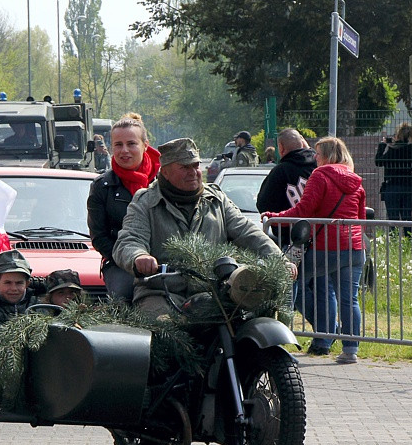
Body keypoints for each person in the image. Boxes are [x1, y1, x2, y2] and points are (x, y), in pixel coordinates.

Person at [113, 137, 286, 318]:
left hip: (214, 291)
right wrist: (139, 256)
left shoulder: (216, 199)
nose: (193, 172)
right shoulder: (145, 202)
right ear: (165, 172)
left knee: (244, 324)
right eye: (184, 167)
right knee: (163, 327)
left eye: (195, 166)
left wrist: (279, 260)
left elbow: (247, 231)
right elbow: (129, 240)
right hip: (161, 292)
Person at [263, 137, 366, 364]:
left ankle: (283, 341)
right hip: (354, 247)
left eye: (318, 154)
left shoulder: (320, 175)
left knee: (290, 282)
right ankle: (350, 349)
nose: (315, 158)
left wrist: (274, 217)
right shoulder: (355, 179)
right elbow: (361, 217)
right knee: (349, 299)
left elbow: (304, 209)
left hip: (326, 247)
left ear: (327, 156)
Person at [87, 112, 160, 303]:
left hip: (165, 260)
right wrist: (131, 260)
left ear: (145, 145)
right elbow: (99, 236)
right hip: (120, 264)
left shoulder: (164, 182)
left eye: (131, 144)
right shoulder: (102, 187)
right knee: (123, 299)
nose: (124, 150)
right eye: (118, 145)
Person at [256, 128, 317, 245]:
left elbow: (263, 204)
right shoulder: (320, 167)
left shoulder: (280, 171)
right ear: (303, 142)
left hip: (290, 239)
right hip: (321, 239)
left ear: (281, 147)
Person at [0, 249, 38, 335]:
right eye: (8, 283)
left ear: (27, 284)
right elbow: (3, 336)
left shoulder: (36, 304)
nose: (14, 288)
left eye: (19, 283)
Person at [375, 122, 412, 236]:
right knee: (407, 216)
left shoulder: (392, 150)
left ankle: (393, 241)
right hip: (407, 185)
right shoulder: (411, 149)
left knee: (393, 217)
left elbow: (378, 162)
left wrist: (383, 145)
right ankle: (409, 241)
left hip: (392, 186)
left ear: (397, 134)